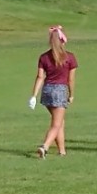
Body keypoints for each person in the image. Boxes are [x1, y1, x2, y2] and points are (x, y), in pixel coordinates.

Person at [29, 25, 77, 158]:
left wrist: (34, 95)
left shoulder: (43, 57)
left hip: (47, 90)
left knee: (60, 122)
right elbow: (71, 80)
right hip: (59, 91)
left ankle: (62, 151)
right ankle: (45, 146)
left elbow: (40, 77)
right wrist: (71, 95)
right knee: (56, 124)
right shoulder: (70, 57)